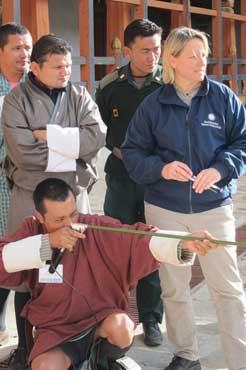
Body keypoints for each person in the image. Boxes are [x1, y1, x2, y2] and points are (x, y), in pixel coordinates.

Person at [121, 27, 246, 370]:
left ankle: (239, 360)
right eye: (192, 55)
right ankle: (186, 354)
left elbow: (242, 143)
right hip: (165, 209)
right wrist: (161, 169)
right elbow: (132, 153)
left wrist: (221, 169)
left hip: (213, 208)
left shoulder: (223, 98)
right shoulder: (153, 105)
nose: (201, 61)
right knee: (174, 288)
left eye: (204, 54)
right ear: (171, 59)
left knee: (228, 290)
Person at [0, 177, 219, 370]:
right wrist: (48, 243)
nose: (69, 224)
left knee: (122, 328)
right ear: (39, 216)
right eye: (59, 220)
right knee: (44, 366)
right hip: (56, 327)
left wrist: (183, 242)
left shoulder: (93, 226)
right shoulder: (32, 230)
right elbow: (3, 259)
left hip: (99, 319)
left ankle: (101, 362)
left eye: (72, 214)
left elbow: (138, 238)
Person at [2, 34, 105, 369]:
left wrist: (51, 136)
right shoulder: (16, 100)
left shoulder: (79, 95)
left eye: (68, 66)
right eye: (58, 66)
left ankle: (77, 346)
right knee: (26, 272)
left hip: (74, 195)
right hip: (31, 197)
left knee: (79, 266)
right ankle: (25, 347)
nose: (65, 72)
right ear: (36, 67)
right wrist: (72, 148)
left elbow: (97, 137)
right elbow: (22, 151)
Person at [96, 19, 164, 346]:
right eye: (144, 50)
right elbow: (101, 128)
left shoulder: (169, 83)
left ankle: (151, 318)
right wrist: (120, 150)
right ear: (127, 51)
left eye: (157, 49)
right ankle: (114, 313)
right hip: (121, 179)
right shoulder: (110, 85)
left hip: (156, 182)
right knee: (116, 246)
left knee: (152, 246)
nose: (153, 57)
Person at [0, 22, 33, 368]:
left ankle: (26, 342)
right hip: (0, 184)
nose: (24, 55)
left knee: (23, 259)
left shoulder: (34, 88)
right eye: (16, 48)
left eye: (28, 48)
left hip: (26, 187)